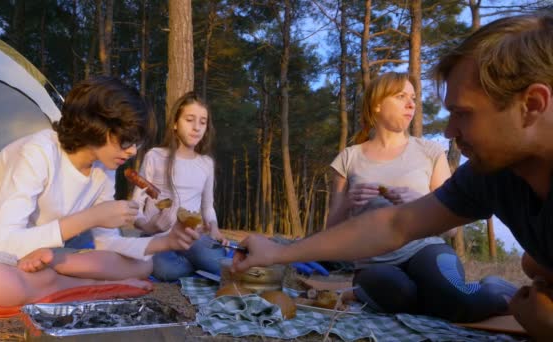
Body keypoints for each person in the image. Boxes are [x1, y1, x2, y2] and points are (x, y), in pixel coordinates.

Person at [233, 13, 553, 338]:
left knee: (496, 282)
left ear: (532, 104)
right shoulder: (490, 173)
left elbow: (439, 230)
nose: (449, 130)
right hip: (375, 264)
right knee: (530, 265)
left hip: (427, 252)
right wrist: (277, 252)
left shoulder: (443, 154)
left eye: (463, 114)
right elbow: (394, 224)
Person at [0, 76, 200, 307]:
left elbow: (107, 243)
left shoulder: (104, 168)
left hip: (40, 254)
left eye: (137, 142)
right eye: (126, 139)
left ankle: (50, 272)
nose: (133, 151)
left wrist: (166, 241)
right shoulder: (38, 152)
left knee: (143, 263)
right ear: (95, 125)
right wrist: (92, 217)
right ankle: (94, 287)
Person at [326, 71, 515, 322]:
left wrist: (419, 201)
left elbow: (451, 231)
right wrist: (348, 201)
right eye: (401, 96)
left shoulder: (430, 152)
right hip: (373, 265)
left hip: (426, 250)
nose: (411, 103)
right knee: (400, 300)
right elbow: (331, 232)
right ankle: (427, 299)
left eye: (413, 97)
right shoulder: (348, 158)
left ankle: (496, 288)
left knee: (457, 301)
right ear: (377, 104)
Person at [132, 91, 225, 281]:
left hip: (190, 237)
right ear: (175, 123)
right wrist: (147, 226)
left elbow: (208, 207)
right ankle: (195, 268)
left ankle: (197, 263)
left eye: (202, 122)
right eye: (190, 119)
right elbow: (135, 206)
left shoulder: (206, 163)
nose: (196, 127)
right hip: (157, 238)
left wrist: (214, 228)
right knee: (167, 271)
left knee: (216, 260)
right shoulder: (155, 156)